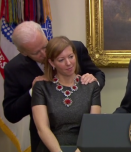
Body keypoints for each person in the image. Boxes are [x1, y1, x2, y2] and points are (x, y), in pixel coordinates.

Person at [2, 21, 105, 152]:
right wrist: (32, 92)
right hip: (45, 141)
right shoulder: (14, 69)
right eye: (36, 52)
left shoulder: (74, 48)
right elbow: (11, 113)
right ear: (23, 52)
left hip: (82, 136)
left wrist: (93, 83)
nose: (44, 54)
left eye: (45, 46)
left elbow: (98, 75)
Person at [31, 36, 101, 152]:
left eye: (71, 57)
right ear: (51, 62)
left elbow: (93, 126)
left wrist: (80, 150)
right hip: (51, 148)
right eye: (61, 60)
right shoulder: (41, 87)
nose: (68, 63)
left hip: (83, 147)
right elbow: (42, 128)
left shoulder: (91, 86)